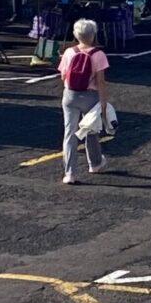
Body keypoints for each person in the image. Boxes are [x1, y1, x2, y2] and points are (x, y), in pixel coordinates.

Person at [57, 19, 110, 184]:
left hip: (70, 95)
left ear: (76, 35)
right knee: (91, 129)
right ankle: (95, 163)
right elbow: (100, 81)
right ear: (93, 35)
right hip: (90, 95)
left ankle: (70, 173)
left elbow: (63, 76)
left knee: (69, 133)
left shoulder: (69, 52)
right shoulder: (98, 55)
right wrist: (103, 102)